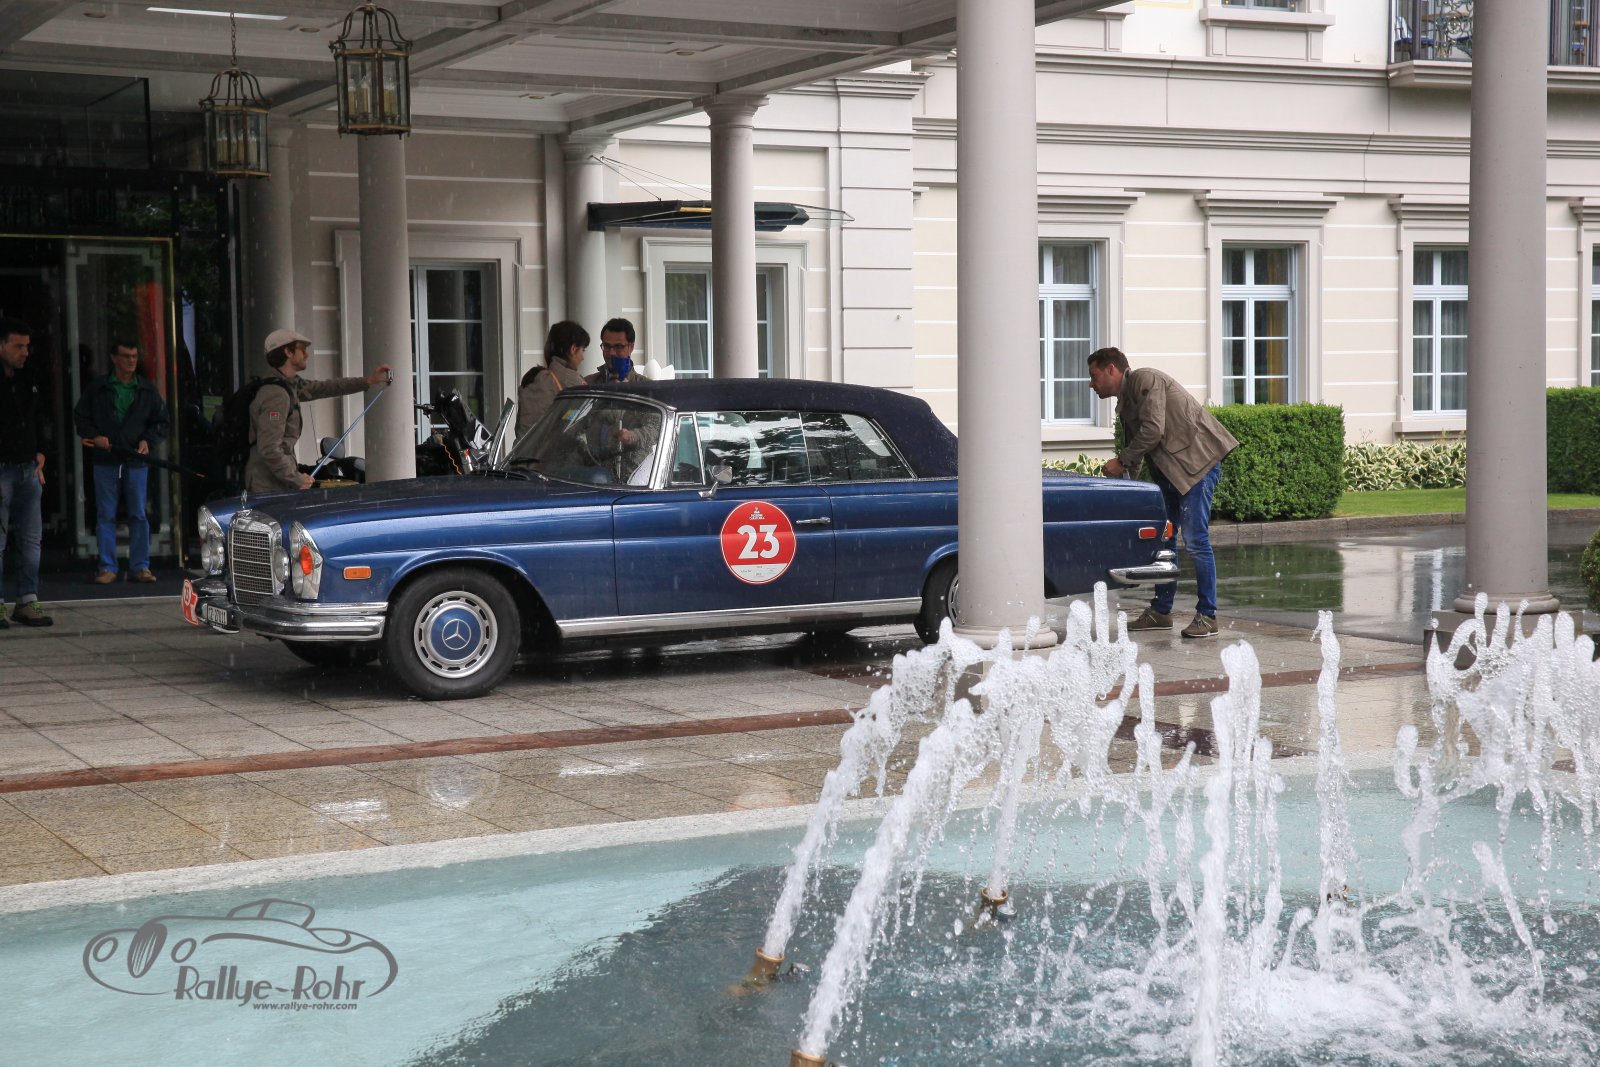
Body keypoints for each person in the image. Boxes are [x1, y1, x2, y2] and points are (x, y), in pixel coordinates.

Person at [1087, 345, 1239, 639]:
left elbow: (1153, 430)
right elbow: (1138, 450)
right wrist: (1130, 487)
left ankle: (1208, 616)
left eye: (1094, 376)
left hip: (1197, 466)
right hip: (1171, 473)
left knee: (1195, 540)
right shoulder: (1126, 402)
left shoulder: (1146, 379)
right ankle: (1161, 611)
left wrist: (1121, 461)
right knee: (1164, 540)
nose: (1091, 384)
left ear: (1111, 369)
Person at [246, 328, 391, 495]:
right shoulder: (275, 394)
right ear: (288, 352)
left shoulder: (290, 386)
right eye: (302, 349)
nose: (307, 354)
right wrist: (296, 479)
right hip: (268, 489)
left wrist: (368, 381)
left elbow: (325, 387)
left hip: (275, 485)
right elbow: (269, 448)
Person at [73, 341, 171, 583]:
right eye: (126, 356)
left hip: (133, 459)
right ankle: (109, 566)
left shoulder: (145, 389)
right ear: (114, 358)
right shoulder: (99, 388)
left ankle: (139, 566)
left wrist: (147, 440)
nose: (131, 360)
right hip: (107, 458)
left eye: (134, 356)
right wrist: (95, 436)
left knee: (136, 513)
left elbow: (162, 422)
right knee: (108, 514)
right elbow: (81, 417)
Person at [0, 317, 52, 627]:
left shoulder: (28, 378)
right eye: (18, 346)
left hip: (27, 466)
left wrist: (41, 451)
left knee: (32, 539)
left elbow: (38, 418)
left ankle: (27, 599)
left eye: (27, 346)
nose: (24, 352)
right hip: (5, 466)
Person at [515, 320, 589, 439]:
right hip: (551, 450)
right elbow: (590, 418)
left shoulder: (536, 377)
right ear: (573, 349)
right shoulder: (572, 382)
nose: (583, 357)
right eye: (583, 350)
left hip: (523, 450)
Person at [586, 317, 649, 385]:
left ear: (631, 347)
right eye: (607, 346)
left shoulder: (647, 386)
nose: (611, 353)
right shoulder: (587, 384)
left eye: (618, 346)